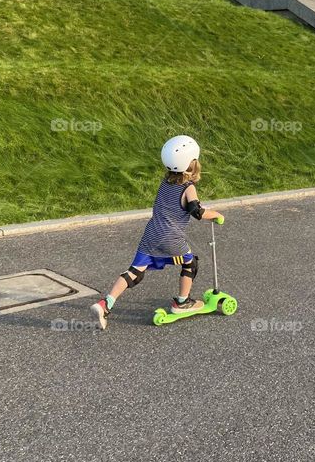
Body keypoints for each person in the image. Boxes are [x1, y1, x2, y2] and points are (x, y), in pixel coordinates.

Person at [89, 135, 224, 330]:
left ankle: (105, 304)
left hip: (151, 234)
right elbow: (197, 212)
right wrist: (216, 215)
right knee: (190, 263)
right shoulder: (189, 188)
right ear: (191, 163)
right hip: (170, 238)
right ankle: (182, 302)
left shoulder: (165, 181)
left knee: (135, 271)